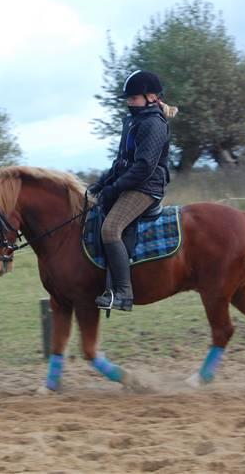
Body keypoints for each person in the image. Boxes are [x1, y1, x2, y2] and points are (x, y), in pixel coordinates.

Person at [88, 70, 178, 311]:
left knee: (110, 229)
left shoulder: (153, 124)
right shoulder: (134, 121)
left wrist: (115, 187)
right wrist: (101, 183)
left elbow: (144, 166)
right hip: (132, 182)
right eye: (127, 99)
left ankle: (123, 293)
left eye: (133, 98)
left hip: (147, 187)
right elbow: (122, 162)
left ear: (150, 97)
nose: (129, 102)